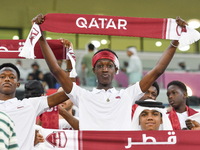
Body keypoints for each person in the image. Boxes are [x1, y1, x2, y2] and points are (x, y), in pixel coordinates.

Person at [34, 13, 186, 130]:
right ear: (94, 70)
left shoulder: (127, 95)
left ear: (116, 70)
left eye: (109, 65)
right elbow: (56, 70)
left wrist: (175, 41)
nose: (105, 69)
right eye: (100, 66)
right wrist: (40, 35)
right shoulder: (83, 95)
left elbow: (157, 71)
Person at [0, 63, 70, 150]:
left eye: (11, 77)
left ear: (18, 84)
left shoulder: (29, 105)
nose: (7, 79)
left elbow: (68, 93)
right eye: (2, 77)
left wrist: (69, 68)